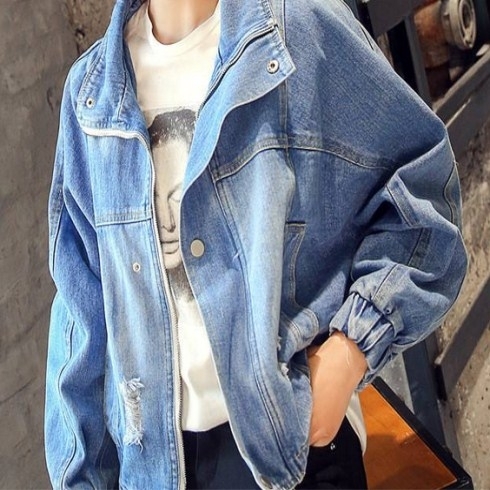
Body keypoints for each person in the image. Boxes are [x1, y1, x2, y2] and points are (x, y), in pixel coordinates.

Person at [44, 0, 467, 488]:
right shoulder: (92, 95)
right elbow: (81, 312)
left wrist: (349, 351)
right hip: (154, 467)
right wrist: (81, 476)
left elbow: (423, 196)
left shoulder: (296, 31)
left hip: (292, 444)